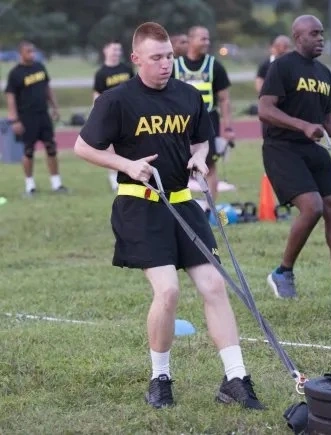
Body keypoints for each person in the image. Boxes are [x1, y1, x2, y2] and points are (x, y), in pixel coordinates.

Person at [73, 22, 264, 410]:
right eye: (157, 57)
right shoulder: (116, 100)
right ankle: (160, 378)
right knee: (169, 290)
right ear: (136, 58)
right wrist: (126, 164)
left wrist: (197, 158)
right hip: (139, 205)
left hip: (182, 202)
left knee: (213, 285)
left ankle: (236, 379)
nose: (165, 65)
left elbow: (201, 137)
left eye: (169, 58)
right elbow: (82, 147)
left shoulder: (188, 95)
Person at [258, 14, 331, 299]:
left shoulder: (323, 72)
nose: (320, 39)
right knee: (312, 206)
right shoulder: (282, 67)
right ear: (298, 37)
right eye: (314, 34)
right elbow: (265, 109)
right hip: (282, 148)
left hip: (314, 149)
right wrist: (302, 125)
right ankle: (282, 273)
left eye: (322, 33)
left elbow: (326, 118)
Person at [172, 25, 235, 208]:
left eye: (208, 38)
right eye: (202, 38)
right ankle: (180, 206)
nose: (207, 42)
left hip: (208, 122)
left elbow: (224, 99)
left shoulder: (214, 65)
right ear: (191, 40)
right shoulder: (175, 66)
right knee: (178, 163)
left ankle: (210, 208)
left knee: (209, 165)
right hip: (181, 123)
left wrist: (228, 127)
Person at [4, 40, 68, 196]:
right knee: (28, 151)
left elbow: (47, 88)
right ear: (21, 53)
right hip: (26, 117)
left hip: (43, 115)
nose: (32, 54)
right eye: (28, 52)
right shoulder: (15, 74)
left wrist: (54, 107)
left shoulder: (40, 67)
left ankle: (56, 184)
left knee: (51, 148)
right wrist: (15, 120)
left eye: (33, 51)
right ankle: (30, 186)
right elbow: (10, 97)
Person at [93, 40, 135, 192]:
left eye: (118, 49)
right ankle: (113, 179)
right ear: (105, 51)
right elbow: (97, 95)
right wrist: (97, 114)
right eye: (113, 49)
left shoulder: (126, 68)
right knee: (111, 147)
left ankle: (131, 173)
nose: (116, 52)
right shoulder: (101, 73)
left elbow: (135, 88)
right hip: (111, 114)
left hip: (128, 112)